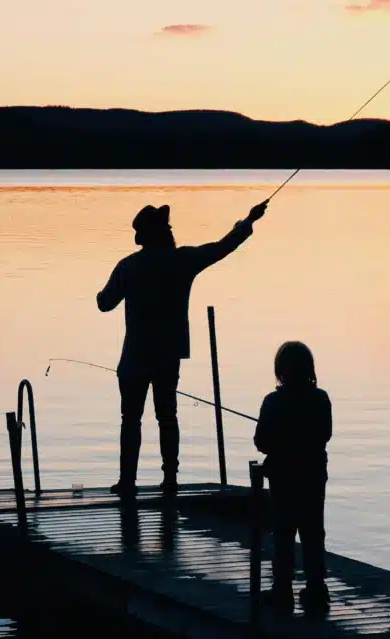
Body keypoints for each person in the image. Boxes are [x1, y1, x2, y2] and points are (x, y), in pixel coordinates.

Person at [97, 200, 268, 497]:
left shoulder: (128, 266)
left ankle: (127, 481)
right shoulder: (183, 261)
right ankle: (170, 480)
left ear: (143, 237)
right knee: (168, 417)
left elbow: (104, 303)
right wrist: (248, 221)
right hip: (168, 356)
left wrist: (109, 289)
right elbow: (222, 247)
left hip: (134, 357)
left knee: (130, 420)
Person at [253, 341, 333, 614]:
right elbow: (325, 434)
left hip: (283, 478)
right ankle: (317, 589)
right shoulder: (321, 399)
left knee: (284, 533)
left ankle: (282, 589)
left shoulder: (272, 402)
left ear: (280, 371)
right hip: (313, 478)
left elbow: (261, 441)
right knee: (313, 533)